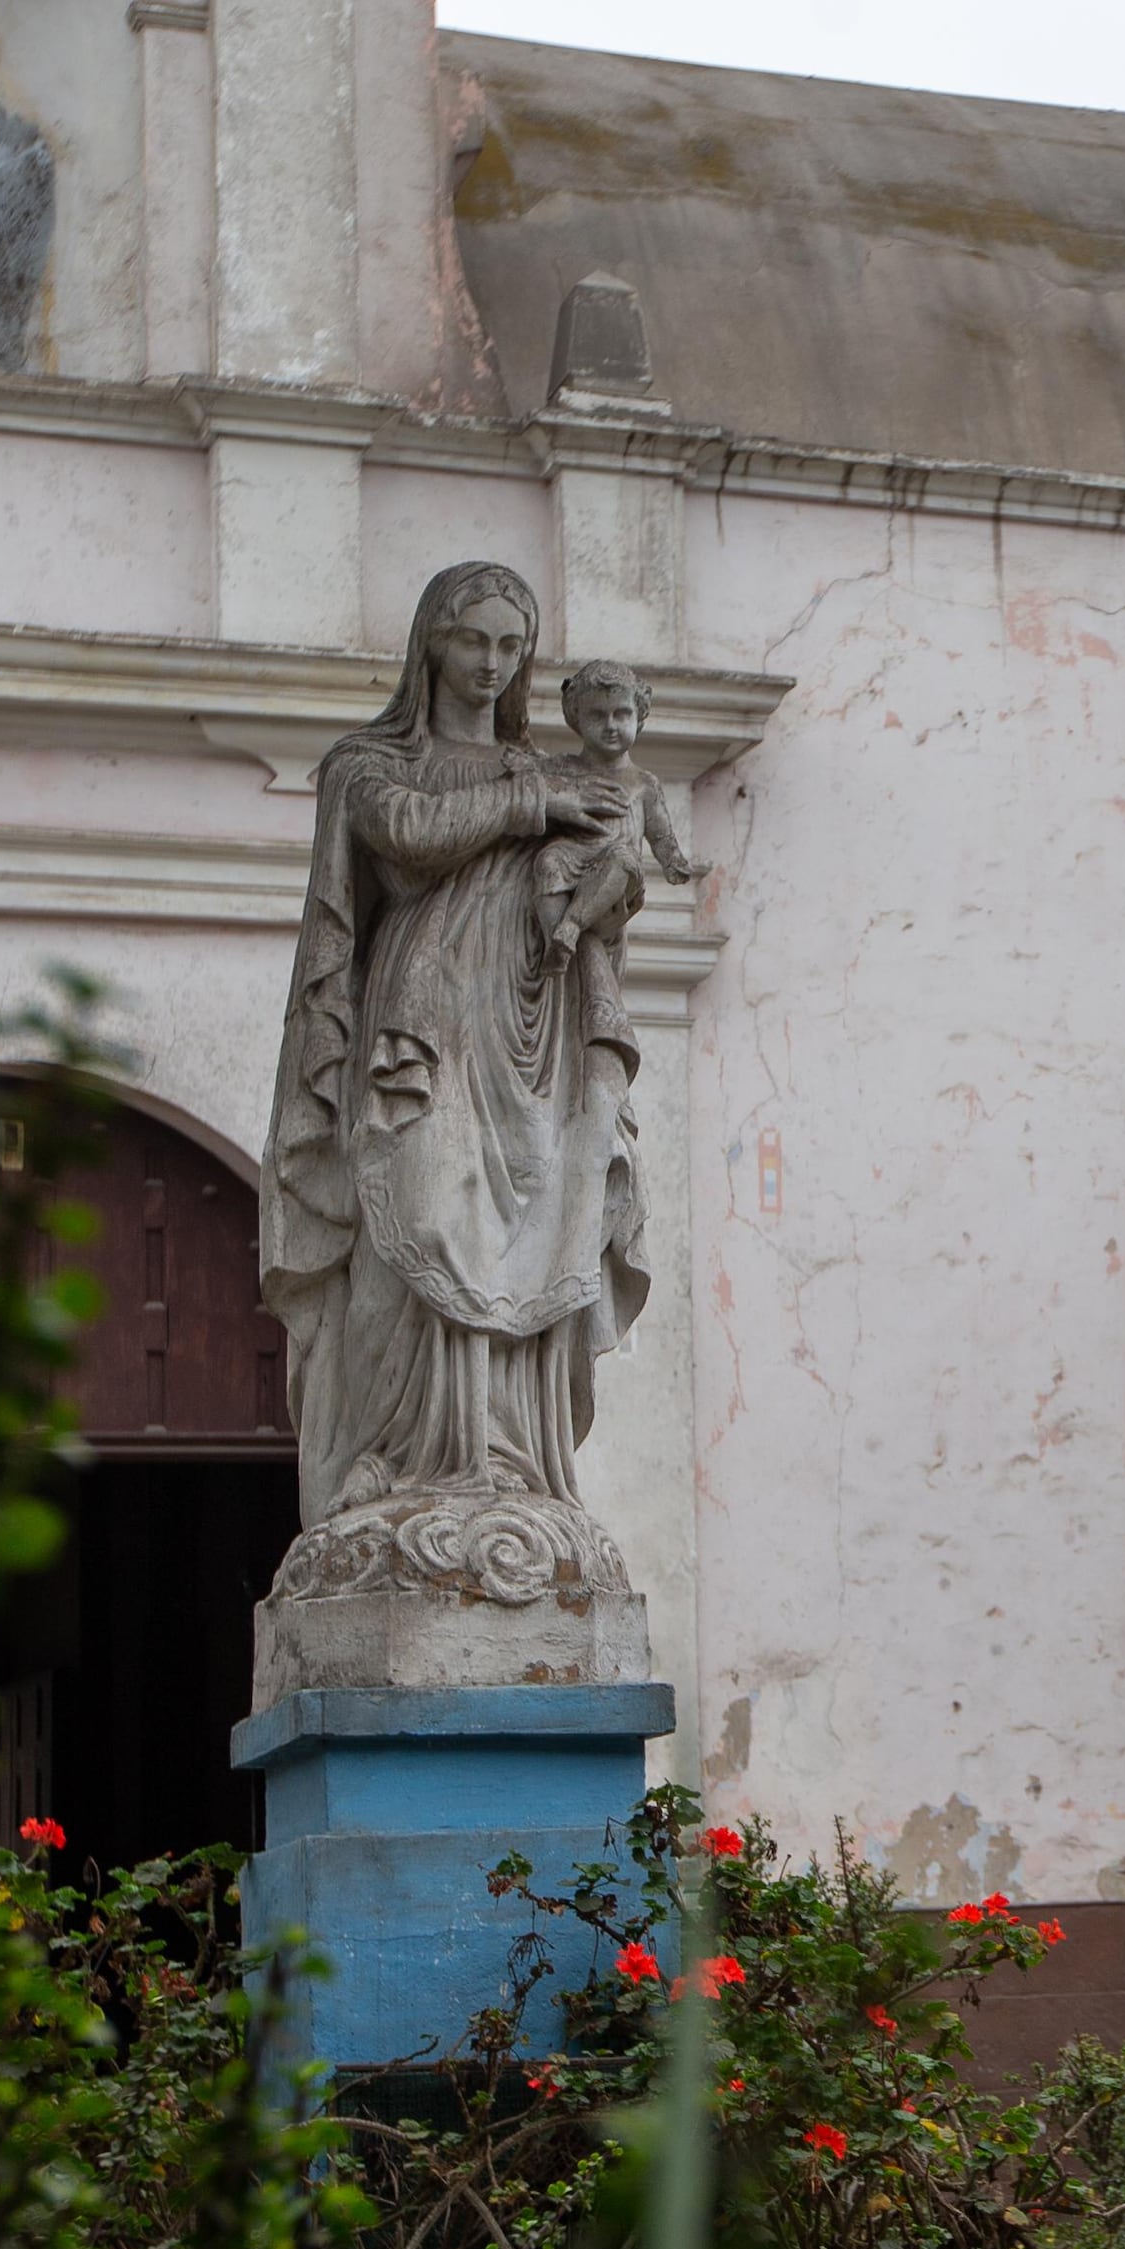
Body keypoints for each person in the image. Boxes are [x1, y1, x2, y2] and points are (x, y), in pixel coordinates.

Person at [260, 564, 650, 1535]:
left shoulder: (549, 773)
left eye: (511, 646)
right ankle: (392, 1453)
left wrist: (608, 876)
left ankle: (507, 1458)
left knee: (529, 1218)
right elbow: (407, 835)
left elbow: (609, 868)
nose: (491, 663)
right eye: (473, 639)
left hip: (529, 1023)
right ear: (432, 641)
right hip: (422, 1013)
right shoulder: (369, 763)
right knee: (418, 1200)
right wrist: (530, 808)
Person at [526, 658, 694, 970]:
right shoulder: (563, 768)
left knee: (623, 859)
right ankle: (555, 941)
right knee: (548, 862)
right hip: (575, 856)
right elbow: (534, 784)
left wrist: (673, 860)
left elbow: (660, 834)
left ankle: (571, 925)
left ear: (639, 714)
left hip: (617, 876)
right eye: (597, 715)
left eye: (622, 714)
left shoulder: (644, 783)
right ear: (576, 717)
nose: (611, 725)